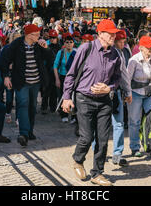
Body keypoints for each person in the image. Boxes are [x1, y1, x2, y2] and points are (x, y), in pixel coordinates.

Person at [62, 19, 122, 187]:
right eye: (110, 33)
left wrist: (109, 88)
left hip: (104, 101)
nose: (113, 36)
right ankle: (78, 160)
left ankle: (97, 173)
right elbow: (71, 74)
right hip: (84, 98)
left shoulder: (115, 54)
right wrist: (67, 97)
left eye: (114, 33)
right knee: (87, 137)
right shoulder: (85, 49)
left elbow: (117, 78)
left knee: (103, 140)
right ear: (100, 34)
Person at [0, 24, 51, 147]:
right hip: (21, 81)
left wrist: (46, 48)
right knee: (22, 105)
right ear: (29, 35)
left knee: (32, 107)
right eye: (37, 34)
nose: (39, 36)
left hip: (36, 81)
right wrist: (6, 76)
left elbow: (50, 58)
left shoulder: (39, 45)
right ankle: (23, 134)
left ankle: (29, 131)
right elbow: (4, 59)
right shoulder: (16, 44)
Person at [127, 35, 151, 157]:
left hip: (149, 93)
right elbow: (127, 79)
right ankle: (135, 147)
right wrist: (128, 94)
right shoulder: (133, 60)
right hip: (135, 94)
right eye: (148, 48)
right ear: (141, 48)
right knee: (135, 121)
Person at [110, 29, 132, 166]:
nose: (122, 44)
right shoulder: (114, 52)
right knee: (101, 125)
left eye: (124, 42)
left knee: (118, 124)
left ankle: (117, 153)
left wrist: (127, 91)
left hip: (116, 92)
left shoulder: (122, 53)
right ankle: (98, 151)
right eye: (120, 41)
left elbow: (124, 74)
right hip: (103, 94)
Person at [54, 36, 76, 122]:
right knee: (63, 96)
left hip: (73, 78)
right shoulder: (61, 52)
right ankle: (64, 114)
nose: (69, 44)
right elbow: (55, 66)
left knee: (73, 97)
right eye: (67, 42)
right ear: (64, 43)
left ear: (73, 44)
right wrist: (57, 79)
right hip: (63, 76)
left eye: (71, 42)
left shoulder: (76, 53)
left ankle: (74, 116)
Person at [41, 29, 60, 114]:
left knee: (54, 90)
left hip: (56, 71)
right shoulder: (46, 45)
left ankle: (53, 106)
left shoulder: (60, 46)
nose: (52, 39)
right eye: (51, 37)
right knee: (46, 89)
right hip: (47, 70)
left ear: (56, 38)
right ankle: (44, 106)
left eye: (54, 37)